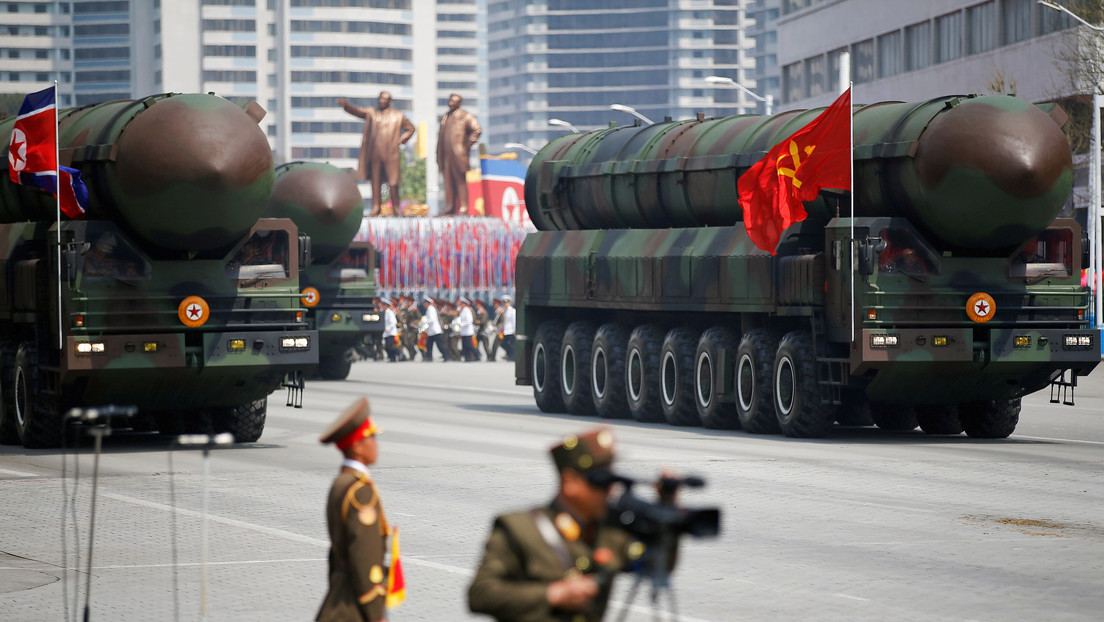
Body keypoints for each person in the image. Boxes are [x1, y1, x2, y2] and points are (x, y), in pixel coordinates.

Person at [468, 428, 673, 622]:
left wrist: (667, 509)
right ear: (570, 482)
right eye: (601, 483)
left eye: (612, 482)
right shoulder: (520, 528)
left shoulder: (608, 532)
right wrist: (553, 594)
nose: (610, 491)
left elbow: (658, 564)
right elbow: (480, 594)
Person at [317, 397, 391, 622]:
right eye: (372, 438)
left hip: (338, 597)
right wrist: (376, 614)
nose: (376, 445)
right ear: (357, 446)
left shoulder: (341, 482)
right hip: (353, 608)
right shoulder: (361, 492)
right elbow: (364, 558)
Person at [338, 91, 416, 217]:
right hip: (375, 153)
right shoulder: (372, 113)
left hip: (391, 154)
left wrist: (401, 140)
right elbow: (359, 111)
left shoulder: (398, 115)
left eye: (385, 99)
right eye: (380, 98)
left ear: (390, 101)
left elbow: (411, 128)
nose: (382, 101)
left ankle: (396, 208)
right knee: (375, 181)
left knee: (393, 182)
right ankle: (376, 208)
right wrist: (347, 106)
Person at [436, 93, 483, 215]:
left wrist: (465, 146)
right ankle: (449, 207)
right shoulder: (446, 116)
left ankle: (463, 207)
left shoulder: (465, 116)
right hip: (446, 155)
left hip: (458, 154)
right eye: (450, 101)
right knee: (448, 181)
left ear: (459, 103)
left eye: (453, 101)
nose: (450, 103)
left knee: (460, 181)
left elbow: (477, 130)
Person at [422, 295, 449, 362]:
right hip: (432, 331)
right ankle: (429, 358)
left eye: (425, 303)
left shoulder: (430, 309)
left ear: (427, 303)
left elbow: (432, 319)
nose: (424, 304)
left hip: (435, 331)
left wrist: (425, 322)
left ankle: (446, 357)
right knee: (429, 345)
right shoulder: (430, 309)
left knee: (440, 345)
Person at [381, 297, 402, 362]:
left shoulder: (390, 312)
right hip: (386, 333)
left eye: (384, 305)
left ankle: (399, 352)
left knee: (389, 346)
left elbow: (394, 322)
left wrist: (388, 328)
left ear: (387, 306)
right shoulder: (384, 312)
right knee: (387, 347)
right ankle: (392, 358)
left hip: (391, 332)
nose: (382, 306)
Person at [458, 296, 479, 361]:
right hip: (463, 332)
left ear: (464, 304)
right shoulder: (462, 311)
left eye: (461, 304)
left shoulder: (467, 311)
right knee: (464, 346)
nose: (460, 305)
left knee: (469, 346)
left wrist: (461, 324)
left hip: (468, 332)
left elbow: (469, 321)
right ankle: (467, 358)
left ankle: (478, 354)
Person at [501, 295, 516, 362]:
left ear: (510, 303)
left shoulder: (512, 311)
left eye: (506, 302)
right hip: (506, 330)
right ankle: (510, 355)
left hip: (511, 331)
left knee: (511, 345)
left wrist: (515, 330)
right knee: (503, 344)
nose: (505, 304)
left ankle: (511, 357)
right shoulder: (505, 310)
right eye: (504, 302)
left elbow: (514, 321)